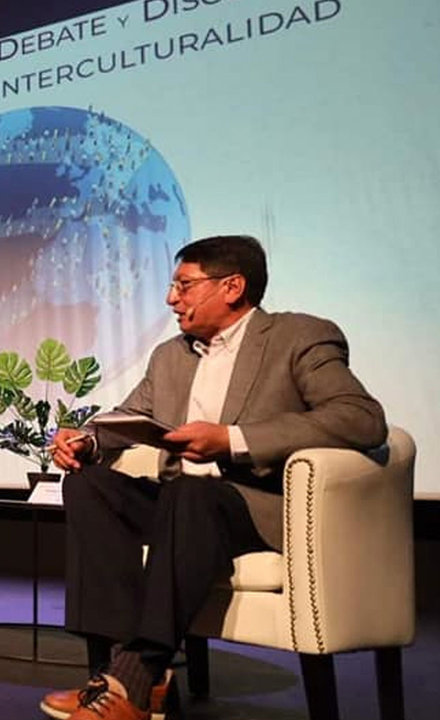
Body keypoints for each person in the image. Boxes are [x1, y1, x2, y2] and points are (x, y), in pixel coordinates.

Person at [41, 235, 386, 720]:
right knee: (88, 484)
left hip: (252, 505)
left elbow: (360, 419)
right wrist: (88, 440)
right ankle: (123, 676)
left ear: (232, 287)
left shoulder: (299, 337)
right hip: (181, 505)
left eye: (183, 285)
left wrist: (232, 440)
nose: (170, 298)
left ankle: (137, 674)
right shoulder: (171, 355)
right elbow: (130, 414)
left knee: (194, 493)